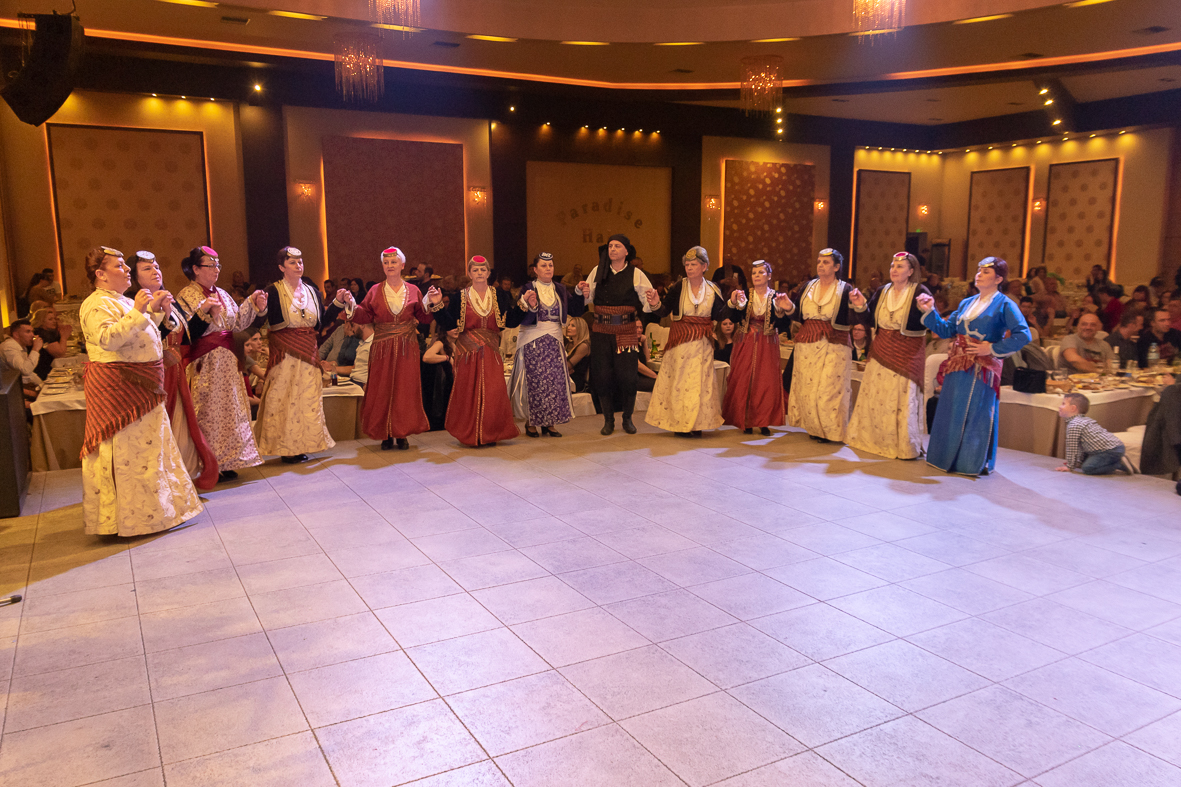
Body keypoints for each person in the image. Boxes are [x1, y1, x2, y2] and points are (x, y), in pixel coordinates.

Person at [78, 246, 203, 536]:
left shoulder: (121, 300)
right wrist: (138, 311)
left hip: (144, 387)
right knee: (129, 455)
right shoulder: (96, 304)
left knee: (150, 452)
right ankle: (130, 520)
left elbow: (140, 335)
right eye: (119, 266)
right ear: (100, 274)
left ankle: (157, 513)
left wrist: (157, 312)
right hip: (121, 390)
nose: (126, 270)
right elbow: (108, 340)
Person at [918, 257, 1031, 476]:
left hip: (982, 369)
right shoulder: (966, 303)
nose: (979, 274)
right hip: (957, 364)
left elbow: (1023, 334)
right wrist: (930, 311)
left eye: (986, 272)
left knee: (976, 411)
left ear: (999, 279)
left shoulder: (1005, 304)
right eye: (979, 270)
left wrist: (992, 348)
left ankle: (969, 463)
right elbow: (946, 330)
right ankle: (944, 459)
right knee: (951, 409)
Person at [128, 250, 220, 490]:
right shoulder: (131, 305)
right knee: (161, 427)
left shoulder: (168, 297)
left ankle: (182, 481)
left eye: (157, 267)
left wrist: (204, 313)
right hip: (153, 375)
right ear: (135, 276)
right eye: (147, 269)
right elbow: (141, 340)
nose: (155, 271)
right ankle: (162, 483)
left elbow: (186, 336)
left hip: (175, 371)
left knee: (182, 426)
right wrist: (159, 312)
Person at [175, 245, 268, 482]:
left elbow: (237, 324)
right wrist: (204, 312)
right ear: (196, 269)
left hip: (227, 361)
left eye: (218, 265)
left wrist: (253, 303)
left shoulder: (223, 294)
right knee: (208, 412)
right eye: (211, 265)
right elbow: (184, 332)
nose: (216, 270)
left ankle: (228, 461)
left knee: (230, 411)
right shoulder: (185, 295)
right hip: (205, 362)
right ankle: (208, 461)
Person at [336, 247, 433, 450]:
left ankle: (402, 432)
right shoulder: (374, 290)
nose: (390, 266)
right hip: (382, 347)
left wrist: (431, 303)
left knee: (405, 389)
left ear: (402, 265)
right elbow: (364, 315)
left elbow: (423, 318)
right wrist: (351, 304)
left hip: (407, 347)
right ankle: (385, 433)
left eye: (393, 262)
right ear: (382, 266)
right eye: (386, 263)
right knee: (382, 389)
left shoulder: (413, 290)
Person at [255, 247, 344, 464]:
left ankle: (303, 444)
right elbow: (259, 321)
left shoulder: (313, 291)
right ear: (281, 267)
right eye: (292, 262)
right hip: (284, 353)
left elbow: (321, 323)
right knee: (284, 398)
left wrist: (338, 303)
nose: (298, 265)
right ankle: (286, 448)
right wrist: (261, 309)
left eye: (300, 261)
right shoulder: (273, 291)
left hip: (308, 351)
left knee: (307, 399)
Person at [427, 255, 521, 447]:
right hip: (468, 352)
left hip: (491, 351)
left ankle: (490, 433)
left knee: (493, 392)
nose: (479, 273)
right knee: (468, 392)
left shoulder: (500, 295)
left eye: (482, 270)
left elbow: (510, 321)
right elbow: (449, 324)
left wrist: (524, 306)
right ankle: (471, 433)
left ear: (488, 273)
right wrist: (437, 305)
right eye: (475, 270)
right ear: (469, 274)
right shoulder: (460, 297)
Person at [847, 251, 932, 460]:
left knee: (902, 396)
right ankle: (874, 440)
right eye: (893, 266)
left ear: (911, 271)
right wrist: (860, 305)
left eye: (900, 266)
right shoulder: (882, 291)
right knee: (878, 395)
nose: (894, 269)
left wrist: (928, 311)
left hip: (908, 352)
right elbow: (869, 319)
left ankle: (903, 445)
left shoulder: (919, 291)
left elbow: (930, 320)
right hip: (881, 349)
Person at [779, 248, 864, 444]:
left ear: (836, 267)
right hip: (808, 343)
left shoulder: (845, 289)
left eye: (826, 262)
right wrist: (789, 307)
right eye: (819, 262)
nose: (820, 265)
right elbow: (799, 315)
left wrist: (859, 306)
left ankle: (831, 430)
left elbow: (854, 318)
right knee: (809, 387)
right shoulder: (808, 287)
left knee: (829, 387)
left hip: (834, 343)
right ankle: (815, 428)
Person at [576, 234, 656, 435]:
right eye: (610, 246)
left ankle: (627, 418)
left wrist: (653, 300)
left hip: (626, 331)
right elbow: (587, 298)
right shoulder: (598, 270)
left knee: (628, 377)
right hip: (601, 332)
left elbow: (648, 303)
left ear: (626, 251)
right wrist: (582, 291)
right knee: (602, 376)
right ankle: (608, 420)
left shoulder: (636, 274)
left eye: (617, 246)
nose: (612, 249)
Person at [644, 247, 728, 437]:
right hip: (680, 342)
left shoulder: (713, 289)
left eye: (694, 264)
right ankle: (680, 423)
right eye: (687, 265)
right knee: (681, 382)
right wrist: (655, 303)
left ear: (704, 266)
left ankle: (697, 424)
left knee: (700, 383)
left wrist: (733, 304)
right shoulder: (678, 287)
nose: (689, 268)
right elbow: (664, 311)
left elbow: (720, 315)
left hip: (702, 343)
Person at [721, 259, 790, 436]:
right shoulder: (744, 294)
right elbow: (731, 317)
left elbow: (784, 324)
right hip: (746, 340)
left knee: (765, 381)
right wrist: (734, 303)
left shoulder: (776, 296)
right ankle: (746, 420)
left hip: (768, 342)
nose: (757, 276)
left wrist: (780, 311)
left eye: (761, 272)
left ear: (769, 276)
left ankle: (763, 421)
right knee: (744, 378)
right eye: (754, 273)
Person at [511, 252, 574, 438]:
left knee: (553, 382)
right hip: (533, 341)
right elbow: (519, 316)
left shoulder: (560, 289)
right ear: (535, 270)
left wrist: (580, 293)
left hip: (554, 341)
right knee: (536, 382)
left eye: (551, 265)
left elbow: (574, 309)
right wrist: (528, 304)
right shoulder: (527, 288)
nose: (548, 269)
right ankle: (531, 422)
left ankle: (550, 423)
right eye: (544, 266)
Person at [1055, 393, 1132, 475]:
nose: (1060, 407)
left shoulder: (1074, 425)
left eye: (1063, 404)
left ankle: (1118, 464)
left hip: (1110, 450)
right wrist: (1077, 462)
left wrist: (1070, 466)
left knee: (1088, 468)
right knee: (1084, 462)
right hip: (1111, 447)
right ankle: (1113, 460)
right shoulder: (1083, 420)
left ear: (1073, 408)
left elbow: (1072, 448)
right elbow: (1080, 446)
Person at [422, 326, 456, 431]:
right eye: (452, 327)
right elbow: (426, 357)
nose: (456, 329)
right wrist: (447, 358)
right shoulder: (440, 343)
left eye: (457, 327)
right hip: (442, 383)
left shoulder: (453, 344)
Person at [1, 319, 43, 394]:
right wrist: (35, 349)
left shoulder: (21, 346)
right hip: (12, 392)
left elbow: (29, 373)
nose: (32, 335)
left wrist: (42, 384)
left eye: (32, 331)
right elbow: (25, 370)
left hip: (21, 387)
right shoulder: (9, 347)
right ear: (16, 335)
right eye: (28, 332)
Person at [30, 306, 71, 382]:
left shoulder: (47, 332)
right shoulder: (42, 334)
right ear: (41, 322)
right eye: (50, 319)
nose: (54, 321)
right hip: (43, 372)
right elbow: (60, 353)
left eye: (55, 319)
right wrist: (64, 337)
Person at [565, 316, 591, 393]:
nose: (568, 328)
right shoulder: (569, 344)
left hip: (576, 382)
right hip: (567, 377)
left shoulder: (584, 345)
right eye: (569, 325)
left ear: (580, 328)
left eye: (573, 326)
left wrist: (567, 369)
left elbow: (568, 365)